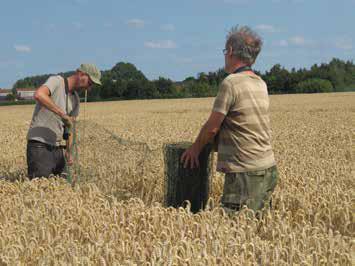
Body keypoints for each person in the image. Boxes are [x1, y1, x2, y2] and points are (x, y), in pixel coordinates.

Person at [181, 26, 278, 215]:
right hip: (268, 168)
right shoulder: (260, 82)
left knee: (232, 232)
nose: (225, 55)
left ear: (232, 51)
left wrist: (194, 149)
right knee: (257, 230)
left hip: (245, 172)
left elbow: (212, 127)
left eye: (225, 51)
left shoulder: (231, 83)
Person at [26, 63, 102, 179]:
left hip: (58, 149)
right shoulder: (56, 81)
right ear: (81, 74)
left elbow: (70, 126)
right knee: (42, 189)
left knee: (62, 189)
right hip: (39, 146)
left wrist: (69, 151)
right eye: (89, 83)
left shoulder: (75, 99)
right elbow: (39, 94)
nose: (89, 88)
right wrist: (62, 114)